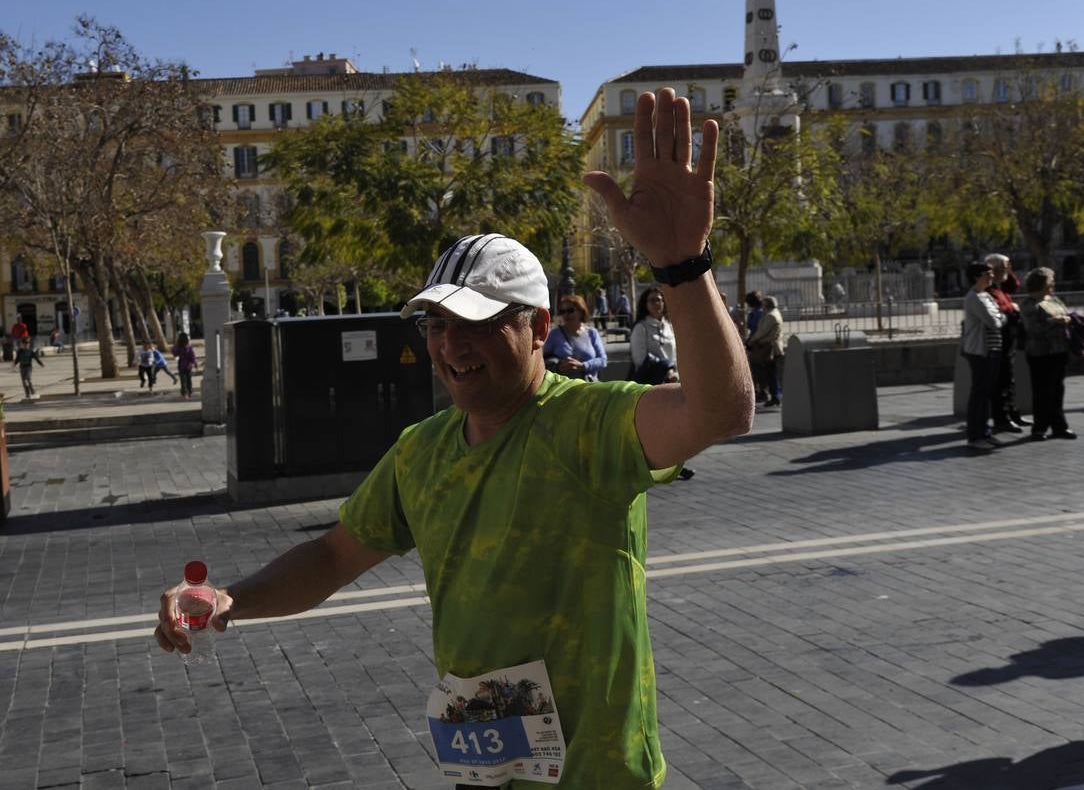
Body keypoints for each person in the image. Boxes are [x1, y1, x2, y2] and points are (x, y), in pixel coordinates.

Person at [155, 88, 753, 789]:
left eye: (477, 323)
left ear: (535, 326)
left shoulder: (586, 425)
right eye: (437, 324)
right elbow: (331, 554)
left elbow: (721, 412)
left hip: (598, 774)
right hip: (486, 765)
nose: (451, 344)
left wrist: (683, 267)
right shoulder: (423, 450)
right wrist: (234, 598)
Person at [1023, 267, 1077, 441]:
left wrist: (1067, 319)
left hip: (1059, 350)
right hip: (1040, 353)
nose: (1053, 283)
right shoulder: (1029, 304)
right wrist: (1054, 321)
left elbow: (1066, 313)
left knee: (1057, 389)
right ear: (1041, 283)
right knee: (1042, 391)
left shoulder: (1054, 299)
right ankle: (1039, 428)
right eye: (1050, 280)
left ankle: (1059, 426)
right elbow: (1033, 329)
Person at [961, 261, 1005, 451]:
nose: (992, 276)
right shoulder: (974, 298)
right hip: (980, 351)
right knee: (979, 394)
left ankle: (985, 432)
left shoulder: (986, 295)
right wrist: (1000, 317)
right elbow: (994, 321)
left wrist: (1000, 317)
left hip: (993, 349)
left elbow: (1000, 316)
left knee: (986, 393)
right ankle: (975, 436)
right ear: (976, 277)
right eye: (988, 273)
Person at [984, 253, 1029, 432]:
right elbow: (997, 309)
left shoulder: (1001, 287)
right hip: (998, 341)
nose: (1005, 271)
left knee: (1009, 379)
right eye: (1002, 267)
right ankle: (1001, 418)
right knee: (1001, 381)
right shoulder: (989, 289)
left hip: (1009, 339)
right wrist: (1013, 308)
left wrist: (1009, 270)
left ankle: (1012, 412)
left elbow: (1013, 285)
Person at [544, 294, 608, 381]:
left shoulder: (592, 333)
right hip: (565, 388)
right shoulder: (555, 334)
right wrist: (558, 365)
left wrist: (583, 366)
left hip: (590, 387)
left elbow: (603, 360)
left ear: (581, 312)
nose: (566, 314)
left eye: (570, 310)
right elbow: (544, 359)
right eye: (562, 311)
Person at [630, 286, 678, 386]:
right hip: (651, 383)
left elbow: (676, 354)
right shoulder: (641, 328)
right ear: (645, 304)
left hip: (673, 380)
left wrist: (675, 372)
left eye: (659, 300)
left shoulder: (669, 326)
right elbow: (640, 360)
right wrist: (666, 368)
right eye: (652, 300)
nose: (656, 303)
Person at [746, 294, 786, 407]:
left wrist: (750, 341)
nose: (761, 305)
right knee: (771, 373)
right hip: (771, 347)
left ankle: (774, 396)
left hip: (769, 348)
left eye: (764, 303)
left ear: (767, 304)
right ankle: (774, 396)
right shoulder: (773, 313)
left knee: (770, 373)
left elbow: (761, 332)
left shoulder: (770, 316)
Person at [173, 332, 198, 399]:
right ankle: (189, 393)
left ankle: (184, 393)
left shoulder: (178, 347)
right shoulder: (189, 347)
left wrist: (174, 348)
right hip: (189, 366)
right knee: (189, 380)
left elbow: (175, 354)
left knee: (183, 380)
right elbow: (193, 356)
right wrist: (195, 364)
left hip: (181, 365)